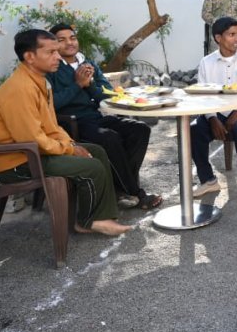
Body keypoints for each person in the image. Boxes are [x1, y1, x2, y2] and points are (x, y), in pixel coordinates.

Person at [0, 29, 131, 236]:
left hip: (31, 152)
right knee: (92, 167)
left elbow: (51, 126)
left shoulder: (40, 81)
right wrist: (68, 149)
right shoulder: (19, 89)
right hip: (16, 162)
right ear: (30, 57)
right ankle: (88, 221)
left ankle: (101, 214)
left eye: (57, 52)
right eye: (51, 52)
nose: (58, 57)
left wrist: (70, 144)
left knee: (96, 151)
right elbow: (31, 139)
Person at [47, 23, 162, 211]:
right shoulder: (52, 67)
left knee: (140, 129)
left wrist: (90, 83)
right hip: (72, 123)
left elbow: (105, 94)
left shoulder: (88, 63)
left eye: (72, 37)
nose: (69, 43)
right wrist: (77, 85)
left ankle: (119, 188)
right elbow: (52, 104)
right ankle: (136, 192)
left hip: (95, 117)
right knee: (109, 137)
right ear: (53, 45)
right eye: (62, 40)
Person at [191, 16, 237, 201]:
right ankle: (208, 180)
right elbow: (203, 95)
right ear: (218, 38)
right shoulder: (206, 63)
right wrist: (212, 118)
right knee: (194, 129)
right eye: (231, 34)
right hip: (218, 112)